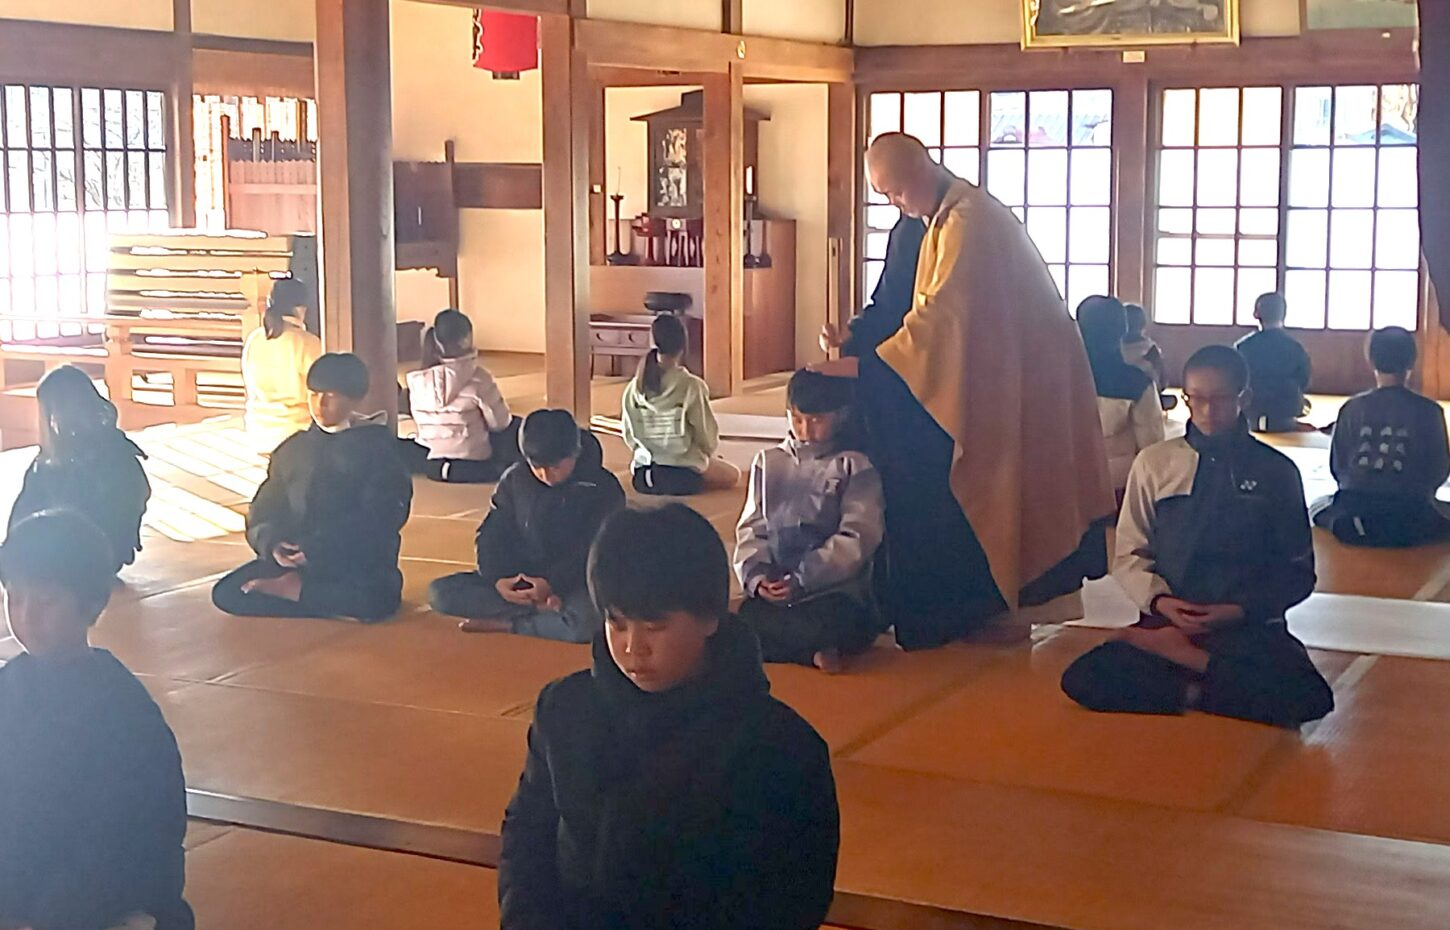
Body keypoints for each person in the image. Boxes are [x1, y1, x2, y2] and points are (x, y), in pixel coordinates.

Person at [815, 132, 1114, 649]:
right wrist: (856, 335)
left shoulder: (972, 222)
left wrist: (868, 370)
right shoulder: (917, 224)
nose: (894, 204)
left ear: (924, 168)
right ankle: (909, 597)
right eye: (883, 195)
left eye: (897, 190)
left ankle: (969, 607)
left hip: (1011, 385)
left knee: (968, 478)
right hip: (957, 377)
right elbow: (892, 306)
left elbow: (940, 322)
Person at [498, 504, 839, 930]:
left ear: (710, 617)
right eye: (617, 623)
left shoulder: (780, 746)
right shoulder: (566, 709)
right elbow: (528, 836)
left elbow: (787, 898)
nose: (632, 647)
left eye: (654, 626)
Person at [1060, 346, 1335, 729]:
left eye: (1221, 400)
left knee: (1308, 696)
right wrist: (1161, 603)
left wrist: (1238, 610)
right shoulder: (1155, 463)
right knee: (1084, 678)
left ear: (1245, 399)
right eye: (1197, 400)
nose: (1207, 411)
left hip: (1245, 626)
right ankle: (1219, 685)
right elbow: (1129, 553)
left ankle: (1192, 673)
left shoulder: (1277, 472)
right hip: (1168, 622)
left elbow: (1296, 572)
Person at [0, 510, 192, 930]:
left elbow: (136, 836)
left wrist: (53, 914)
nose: (26, 617)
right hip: (21, 878)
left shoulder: (124, 714)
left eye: (46, 601)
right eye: (14, 598)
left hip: (101, 890)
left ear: (90, 604)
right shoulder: (9, 687)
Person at [212, 353, 413, 622]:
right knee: (226, 593)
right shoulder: (293, 449)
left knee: (377, 601)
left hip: (355, 563)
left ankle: (296, 592)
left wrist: (317, 549)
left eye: (331, 396)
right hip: (294, 559)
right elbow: (265, 505)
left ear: (355, 398)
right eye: (314, 394)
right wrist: (273, 544)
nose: (320, 404)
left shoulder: (380, 450)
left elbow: (381, 519)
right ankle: (306, 593)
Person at [735, 370, 884, 673]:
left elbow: (858, 536)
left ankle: (809, 646)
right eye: (797, 418)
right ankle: (811, 653)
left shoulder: (853, 465)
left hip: (833, 590)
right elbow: (753, 527)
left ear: (841, 415)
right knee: (742, 619)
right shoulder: (769, 460)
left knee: (841, 622)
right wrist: (759, 577)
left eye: (817, 420)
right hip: (778, 588)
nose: (805, 428)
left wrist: (805, 577)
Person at [430, 409, 625, 641]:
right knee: (440, 593)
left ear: (575, 453)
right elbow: (493, 531)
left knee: (588, 622)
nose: (546, 475)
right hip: (523, 579)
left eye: (555, 466)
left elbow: (596, 550)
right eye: (537, 466)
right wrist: (499, 578)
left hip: (576, 581)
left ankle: (511, 624)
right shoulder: (516, 479)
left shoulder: (603, 488)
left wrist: (553, 584)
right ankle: (544, 613)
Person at [1310, 326, 1450, 547]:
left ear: (1371, 361)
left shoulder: (1352, 407)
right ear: (1412, 361)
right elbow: (1440, 469)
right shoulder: (1430, 411)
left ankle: (1357, 526)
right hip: (1413, 507)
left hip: (1357, 504)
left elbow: (1338, 467)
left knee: (1318, 505)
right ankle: (1405, 528)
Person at [9, 364, 151, 574]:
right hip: (59, 542)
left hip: (100, 550)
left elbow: (126, 507)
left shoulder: (114, 452)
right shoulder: (50, 460)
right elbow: (26, 509)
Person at [620, 313, 740, 496]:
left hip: (643, 475)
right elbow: (706, 437)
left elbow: (629, 436)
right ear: (683, 345)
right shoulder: (691, 386)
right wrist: (705, 456)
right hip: (682, 476)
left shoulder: (634, 387)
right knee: (733, 474)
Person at [403, 308, 520, 483]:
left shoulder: (416, 381)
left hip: (431, 460)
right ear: (466, 338)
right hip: (473, 459)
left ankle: (445, 468)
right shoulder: (478, 377)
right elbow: (500, 423)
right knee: (516, 426)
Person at [1077, 296, 1165, 498]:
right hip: (1120, 487)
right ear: (1122, 332)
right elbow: (1152, 446)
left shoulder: (1056, 379)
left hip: (1064, 482)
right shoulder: (1137, 382)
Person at [819, 213, 928, 359]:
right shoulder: (907, 230)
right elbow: (889, 306)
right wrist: (852, 333)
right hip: (908, 354)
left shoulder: (961, 222)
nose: (892, 200)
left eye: (897, 193)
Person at [242, 276, 323, 454]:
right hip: (295, 435)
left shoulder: (254, 339)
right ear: (301, 309)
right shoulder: (308, 343)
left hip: (258, 434)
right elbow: (320, 397)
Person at [1235, 292, 1314, 432]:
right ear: (1284, 314)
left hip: (1251, 410)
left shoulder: (1243, 346)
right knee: (1304, 402)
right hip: (1285, 409)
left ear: (1256, 314)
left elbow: (1234, 380)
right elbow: (1304, 380)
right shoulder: (1295, 347)